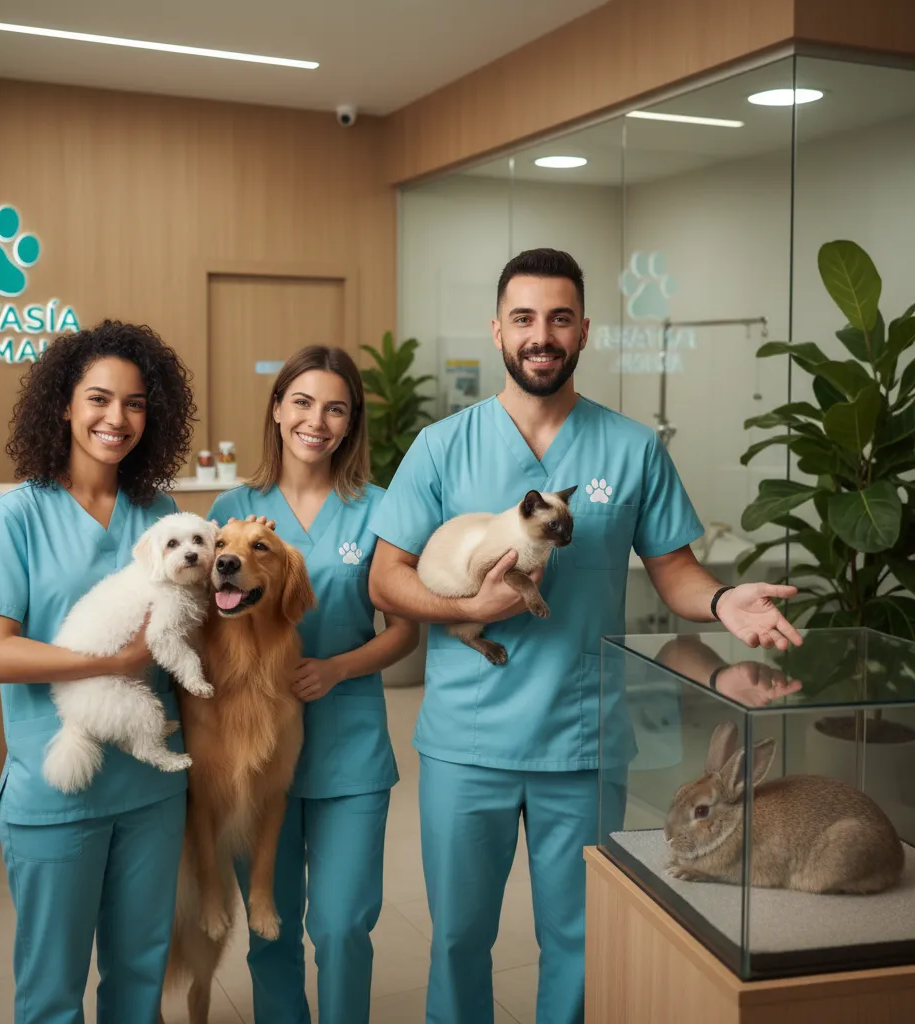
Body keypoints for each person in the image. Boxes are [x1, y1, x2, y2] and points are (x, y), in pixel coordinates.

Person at [367, 248, 802, 1024]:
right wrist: (470, 612)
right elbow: (385, 578)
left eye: (560, 318)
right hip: (468, 742)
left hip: (584, 742)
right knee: (459, 939)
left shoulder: (631, 448)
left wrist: (726, 599)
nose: (542, 335)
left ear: (584, 331)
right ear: (497, 329)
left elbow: (675, 572)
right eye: (526, 318)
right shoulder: (442, 447)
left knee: (580, 939)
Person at [0, 320, 198, 1024]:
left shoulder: (162, 518)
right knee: (52, 990)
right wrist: (113, 660)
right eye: (98, 399)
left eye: (134, 404)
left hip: (150, 793)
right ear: (64, 404)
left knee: (138, 980)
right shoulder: (16, 517)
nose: (115, 419)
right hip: (54, 796)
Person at [208, 345, 419, 1024]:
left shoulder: (380, 508)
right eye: (301, 402)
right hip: (255, 752)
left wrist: (338, 667)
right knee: (270, 931)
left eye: (335, 408)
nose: (316, 421)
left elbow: (405, 631)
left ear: (351, 422)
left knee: (342, 925)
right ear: (276, 410)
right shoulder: (233, 512)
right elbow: (201, 622)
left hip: (347, 748)